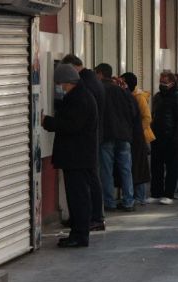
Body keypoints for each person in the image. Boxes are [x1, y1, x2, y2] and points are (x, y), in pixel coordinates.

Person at [42, 64, 98, 248]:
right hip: (79, 155)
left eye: (60, 83)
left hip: (77, 156)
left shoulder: (79, 98)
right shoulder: (81, 95)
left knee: (78, 196)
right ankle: (78, 232)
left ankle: (80, 235)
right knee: (78, 196)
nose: (59, 86)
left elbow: (72, 125)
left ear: (67, 82)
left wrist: (47, 121)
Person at [60, 55, 106, 231]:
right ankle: (90, 218)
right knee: (91, 180)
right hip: (93, 139)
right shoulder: (93, 81)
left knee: (84, 185)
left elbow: (78, 118)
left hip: (84, 144)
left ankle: (90, 218)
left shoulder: (85, 86)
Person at [95, 63, 136, 212]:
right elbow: (133, 110)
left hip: (107, 135)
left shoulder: (99, 90)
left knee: (106, 169)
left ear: (100, 74)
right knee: (126, 169)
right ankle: (128, 201)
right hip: (124, 135)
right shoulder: (122, 91)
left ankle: (109, 202)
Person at [119, 72, 154, 206]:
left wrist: (137, 131)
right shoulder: (127, 96)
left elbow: (147, 117)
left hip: (141, 137)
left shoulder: (138, 97)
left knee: (139, 166)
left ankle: (140, 196)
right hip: (133, 136)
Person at [151, 71, 178, 205]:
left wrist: (176, 137)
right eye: (161, 81)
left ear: (171, 82)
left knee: (171, 167)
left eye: (164, 82)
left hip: (171, 137)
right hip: (157, 136)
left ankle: (168, 194)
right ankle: (156, 193)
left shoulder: (176, 97)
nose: (162, 84)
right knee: (156, 166)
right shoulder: (157, 96)